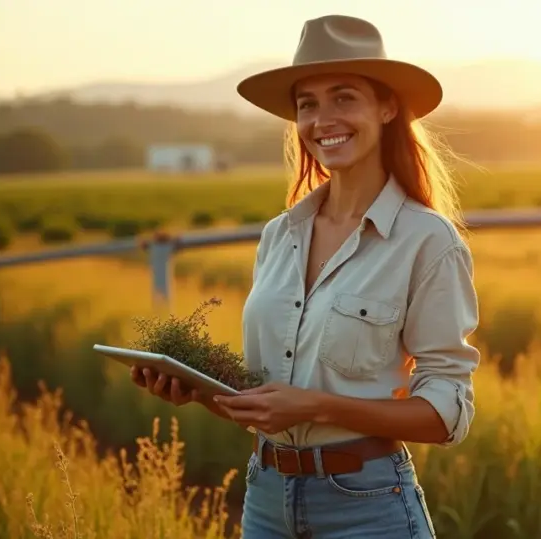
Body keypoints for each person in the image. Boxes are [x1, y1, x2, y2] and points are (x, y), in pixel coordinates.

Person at [130, 13, 480, 538]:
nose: (323, 120)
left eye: (344, 98)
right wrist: (199, 391)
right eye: (307, 104)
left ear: (387, 108)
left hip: (367, 507)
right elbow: (269, 403)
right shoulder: (279, 236)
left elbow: (445, 415)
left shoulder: (427, 241)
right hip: (267, 500)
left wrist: (317, 405)